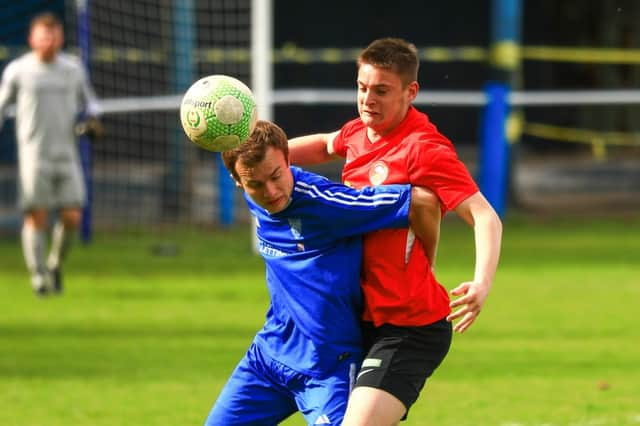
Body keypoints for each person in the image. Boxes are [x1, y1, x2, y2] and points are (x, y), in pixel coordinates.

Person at [288, 37, 503, 424]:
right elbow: (323, 144)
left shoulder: (424, 148)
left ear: (411, 92)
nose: (368, 99)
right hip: (358, 319)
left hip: (410, 326)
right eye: (362, 87)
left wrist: (481, 283)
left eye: (382, 91)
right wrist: (269, 158)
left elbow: (485, 216)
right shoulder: (358, 133)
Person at [204, 120, 436, 426]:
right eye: (256, 185)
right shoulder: (256, 191)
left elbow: (422, 201)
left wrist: (426, 263)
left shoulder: (324, 203)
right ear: (238, 181)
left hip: (327, 369)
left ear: (288, 160)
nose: (271, 192)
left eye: (276, 176)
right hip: (268, 358)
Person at [0, 12, 102, 296]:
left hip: (66, 153)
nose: (49, 40)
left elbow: (91, 105)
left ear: (61, 38)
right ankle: (38, 277)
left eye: (54, 34)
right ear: (32, 38)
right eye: (44, 35)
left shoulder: (73, 69)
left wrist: (92, 122)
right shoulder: (19, 71)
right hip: (34, 155)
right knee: (37, 217)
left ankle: (55, 263)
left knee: (72, 216)